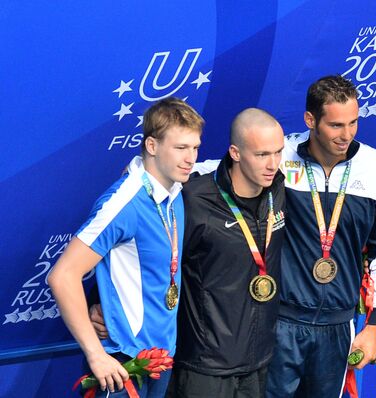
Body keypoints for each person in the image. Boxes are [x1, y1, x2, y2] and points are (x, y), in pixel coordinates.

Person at [91, 108, 286, 398]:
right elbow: (145, 255)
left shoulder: (280, 189)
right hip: (202, 366)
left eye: (278, 153)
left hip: (258, 361)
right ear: (235, 152)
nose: (272, 164)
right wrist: (102, 305)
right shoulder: (193, 198)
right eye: (261, 155)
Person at [48, 97, 204, 397]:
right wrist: (96, 354)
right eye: (181, 148)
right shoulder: (123, 203)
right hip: (122, 363)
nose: (190, 158)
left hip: (160, 356)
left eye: (195, 147)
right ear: (152, 146)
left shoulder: (175, 190)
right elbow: (63, 275)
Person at [265, 75, 376, 397]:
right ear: (310, 120)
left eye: (353, 123)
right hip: (281, 320)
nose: (347, 135)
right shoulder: (280, 155)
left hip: (338, 326)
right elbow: (225, 171)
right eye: (336, 125)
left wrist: (372, 326)